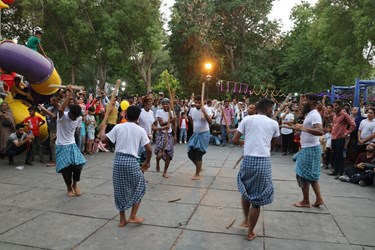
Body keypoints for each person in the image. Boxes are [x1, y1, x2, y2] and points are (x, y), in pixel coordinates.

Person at [232, 98, 280, 241]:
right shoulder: (274, 123)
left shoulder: (247, 120)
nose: (273, 111)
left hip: (247, 160)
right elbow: (274, 143)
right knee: (257, 200)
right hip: (263, 161)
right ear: (267, 109)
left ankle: (246, 220)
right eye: (272, 109)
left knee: (246, 191)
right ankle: (250, 232)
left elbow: (234, 140)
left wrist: (246, 143)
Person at [99, 105, 152, 227]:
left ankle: (122, 219)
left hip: (118, 161)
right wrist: (146, 163)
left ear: (126, 115)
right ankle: (132, 215)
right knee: (140, 186)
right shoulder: (140, 130)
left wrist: (103, 127)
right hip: (131, 161)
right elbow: (149, 150)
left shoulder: (118, 127)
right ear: (138, 117)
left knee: (119, 190)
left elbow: (102, 139)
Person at [290, 94, 325, 208]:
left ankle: (305, 201)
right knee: (310, 175)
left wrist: (303, 128)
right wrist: (298, 128)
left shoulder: (314, 115)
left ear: (311, 102)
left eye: (304, 101)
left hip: (310, 149)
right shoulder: (310, 114)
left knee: (302, 175)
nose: (303, 103)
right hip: (309, 148)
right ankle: (319, 199)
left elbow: (320, 131)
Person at [56, 87, 86, 197]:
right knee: (66, 169)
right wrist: (69, 96)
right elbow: (60, 109)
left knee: (78, 166)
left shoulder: (78, 118)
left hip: (72, 144)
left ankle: (75, 184)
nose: (75, 119)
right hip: (61, 145)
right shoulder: (62, 116)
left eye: (77, 117)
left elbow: (77, 129)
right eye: (74, 116)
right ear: (69, 113)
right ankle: (68, 187)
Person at [329, 100, 356, 178]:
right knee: (334, 155)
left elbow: (353, 125)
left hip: (340, 139)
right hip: (333, 137)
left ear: (341, 106)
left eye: (336, 105)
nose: (334, 107)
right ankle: (335, 170)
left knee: (340, 155)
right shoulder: (334, 115)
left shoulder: (344, 115)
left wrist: (346, 133)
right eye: (334, 105)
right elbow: (334, 126)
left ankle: (340, 172)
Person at [187, 96, 213, 180]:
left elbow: (210, 122)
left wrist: (204, 112)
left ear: (203, 102)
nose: (197, 104)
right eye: (196, 102)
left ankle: (197, 174)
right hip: (195, 134)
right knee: (190, 154)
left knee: (199, 154)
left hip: (204, 134)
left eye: (199, 102)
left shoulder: (206, 109)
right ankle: (199, 167)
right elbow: (191, 120)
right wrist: (194, 129)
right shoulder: (192, 110)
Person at [154, 98, 176, 178]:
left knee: (168, 156)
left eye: (167, 104)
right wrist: (170, 120)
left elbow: (174, 125)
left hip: (169, 134)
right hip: (161, 134)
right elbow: (161, 123)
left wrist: (175, 135)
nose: (165, 105)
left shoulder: (172, 113)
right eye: (163, 104)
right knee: (160, 154)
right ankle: (157, 162)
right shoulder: (159, 112)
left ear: (170, 105)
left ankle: (165, 172)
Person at [38, 97, 59, 167]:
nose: (50, 103)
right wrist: (42, 109)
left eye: (52, 101)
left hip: (55, 128)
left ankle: (55, 161)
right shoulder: (52, 107)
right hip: (51, 127)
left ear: (56, 101)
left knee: (53, 144)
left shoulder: (58, 107)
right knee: (53, 144)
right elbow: (45, 114)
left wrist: (44, 108)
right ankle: (54, 159)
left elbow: (53, 116)